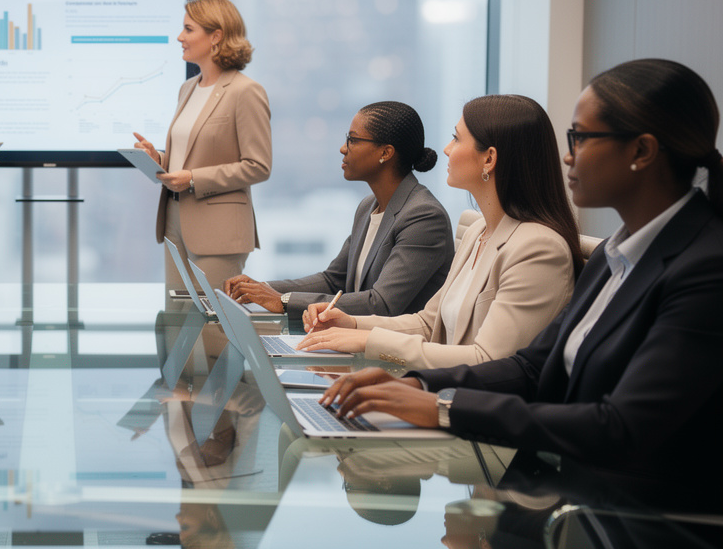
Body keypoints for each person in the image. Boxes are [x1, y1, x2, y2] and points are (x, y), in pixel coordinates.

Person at [322, 59, 723, 487]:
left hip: (636, 513)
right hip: (571, 485)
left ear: (641, 151)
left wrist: (446, 407)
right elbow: (530, 367)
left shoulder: (705, 270)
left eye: (580, 138)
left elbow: (620, 428)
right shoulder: (615, 255)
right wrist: (420, 385)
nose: (568, 155)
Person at [295, 95, 582, 369]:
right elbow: (428, 323)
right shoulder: (478, 232)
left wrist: (369, 341)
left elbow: (488, 360)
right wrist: (353, 324)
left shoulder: (538, 249)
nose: (446, 148)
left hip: (470, 399)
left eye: (456, 138)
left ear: (489, 159)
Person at [223, 101, 453, 320]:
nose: (343, 148)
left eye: (353, 140)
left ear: (385, 153)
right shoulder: (367, 207)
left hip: (396, 345)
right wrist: (261, 289)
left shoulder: (423, 216)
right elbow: (334, 281)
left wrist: (282, 301)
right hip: (357, 337)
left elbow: (381, 304)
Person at [132, 0, 271, 290]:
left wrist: (194, 179)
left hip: (218, 230)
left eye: (188, 29)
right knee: (177, 314)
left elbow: (258, 166)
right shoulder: (187, 89)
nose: (179, 37)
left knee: (212, 318)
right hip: (174, 220)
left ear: (216, 36)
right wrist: (159, 158)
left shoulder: (245, 91)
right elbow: (190, 155)